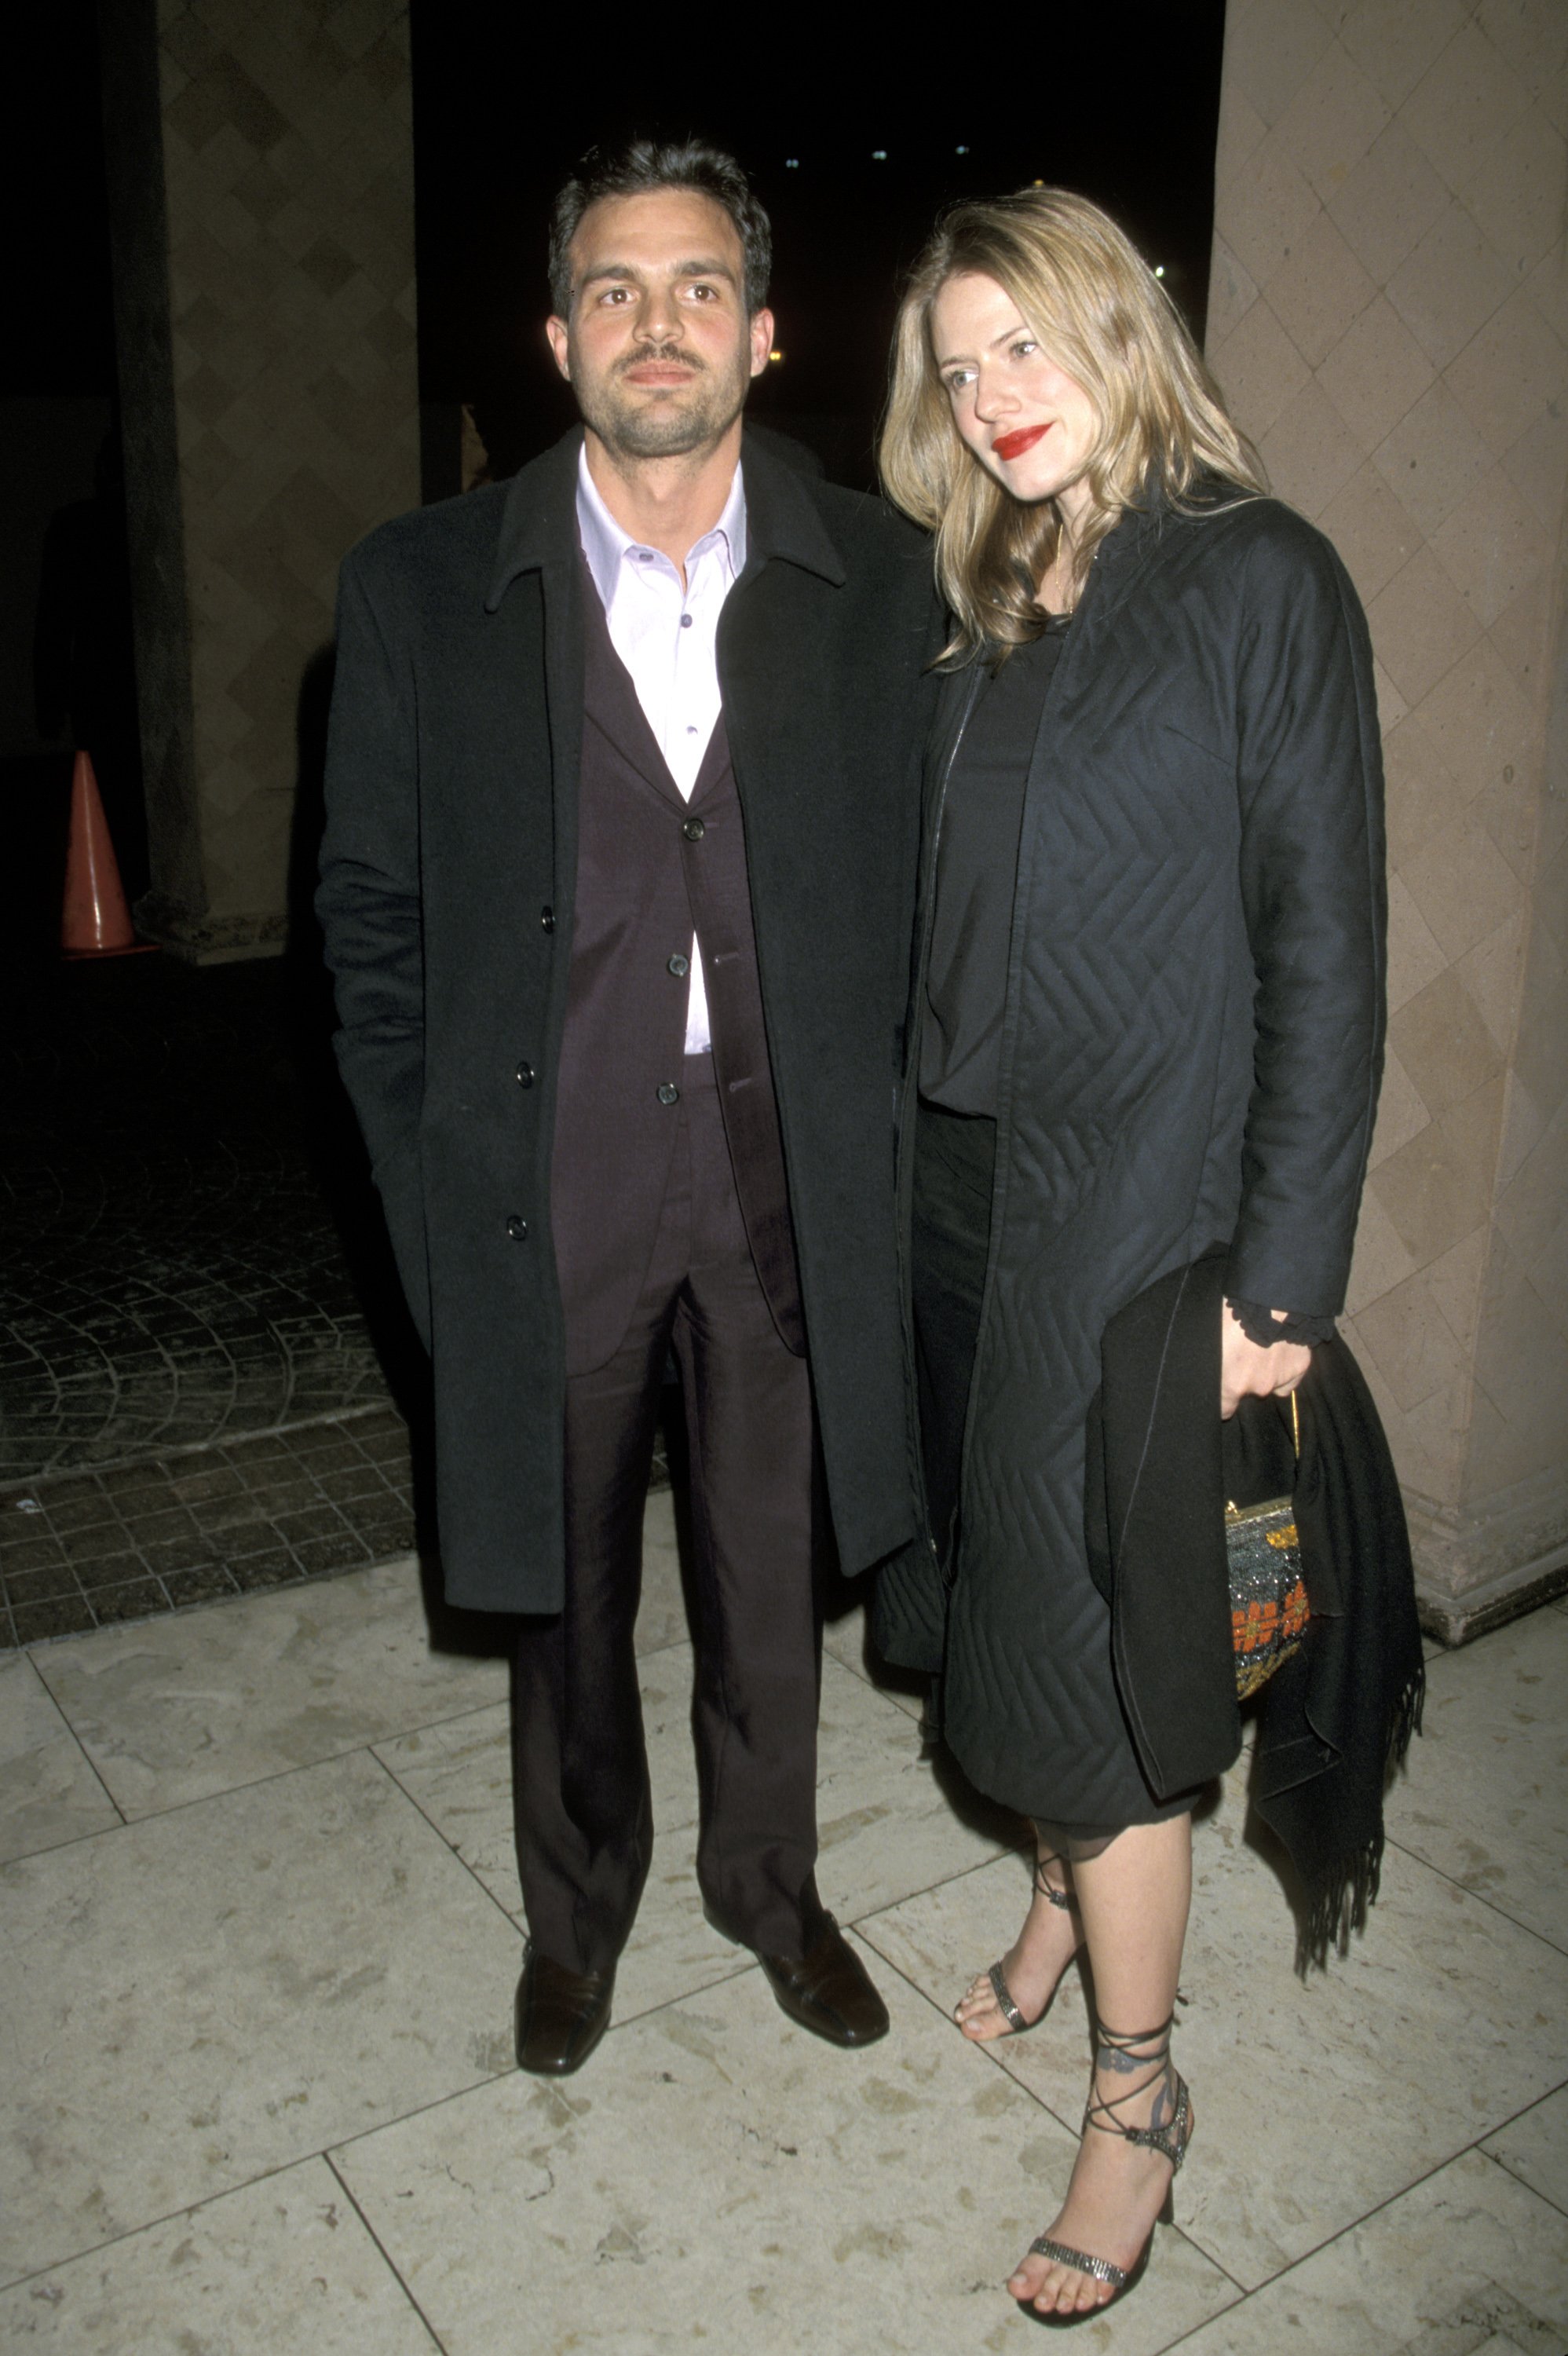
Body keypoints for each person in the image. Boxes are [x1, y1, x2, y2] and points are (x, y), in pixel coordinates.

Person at [317, 140, 940, 2077]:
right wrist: (434, 1197)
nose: (652, 324)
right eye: (612, 289)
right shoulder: (423, 589)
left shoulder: (880, 585)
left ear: (761, 331)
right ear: (554, 337)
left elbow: (938, 895)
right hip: (549, 1178)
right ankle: (576, 1915)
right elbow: (370, 928)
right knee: (560, 1585)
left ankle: (772, 1887)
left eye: (693, 289)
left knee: (773, 1573)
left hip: (780, 1176)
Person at [875, 188, 1386, 2320]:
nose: (989, 393)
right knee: (1001, 1599)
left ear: (1119, 330)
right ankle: (1059, 1901)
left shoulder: (1251, 573)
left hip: (1137, 1217)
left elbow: (1324, 949)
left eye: (1023, 342)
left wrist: (1276, 1289)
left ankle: (1137, 2098)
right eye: (954, 358)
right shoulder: (991, 585)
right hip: (957, 1197)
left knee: (1110, 1658)